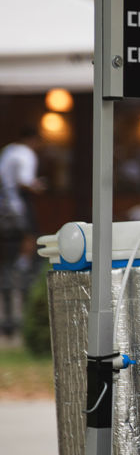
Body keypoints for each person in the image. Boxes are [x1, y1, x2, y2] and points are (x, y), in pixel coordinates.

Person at [0, 125, 45, 337]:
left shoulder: (9, 150)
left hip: (4, 206)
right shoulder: (27, 154)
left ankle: (14, 265)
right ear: (33, 140)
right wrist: (37, 186)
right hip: (19, 205)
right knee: (30, 236)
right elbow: (24, 183)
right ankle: (22, 264)